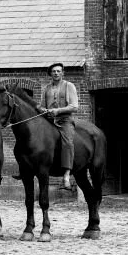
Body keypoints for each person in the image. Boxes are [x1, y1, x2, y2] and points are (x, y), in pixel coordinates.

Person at [39, 62, 79, 190]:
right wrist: (44, 110)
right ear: (50, 74)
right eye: (54, 71)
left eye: (58, 71)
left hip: (64, 120)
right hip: (49, 121)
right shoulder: (46, 88)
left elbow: (74, 106)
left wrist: (58, 111)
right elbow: (41, 106)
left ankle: (66, 175)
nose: (56, 73)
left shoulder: (69, 86)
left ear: (62, 73)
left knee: (67, 143)